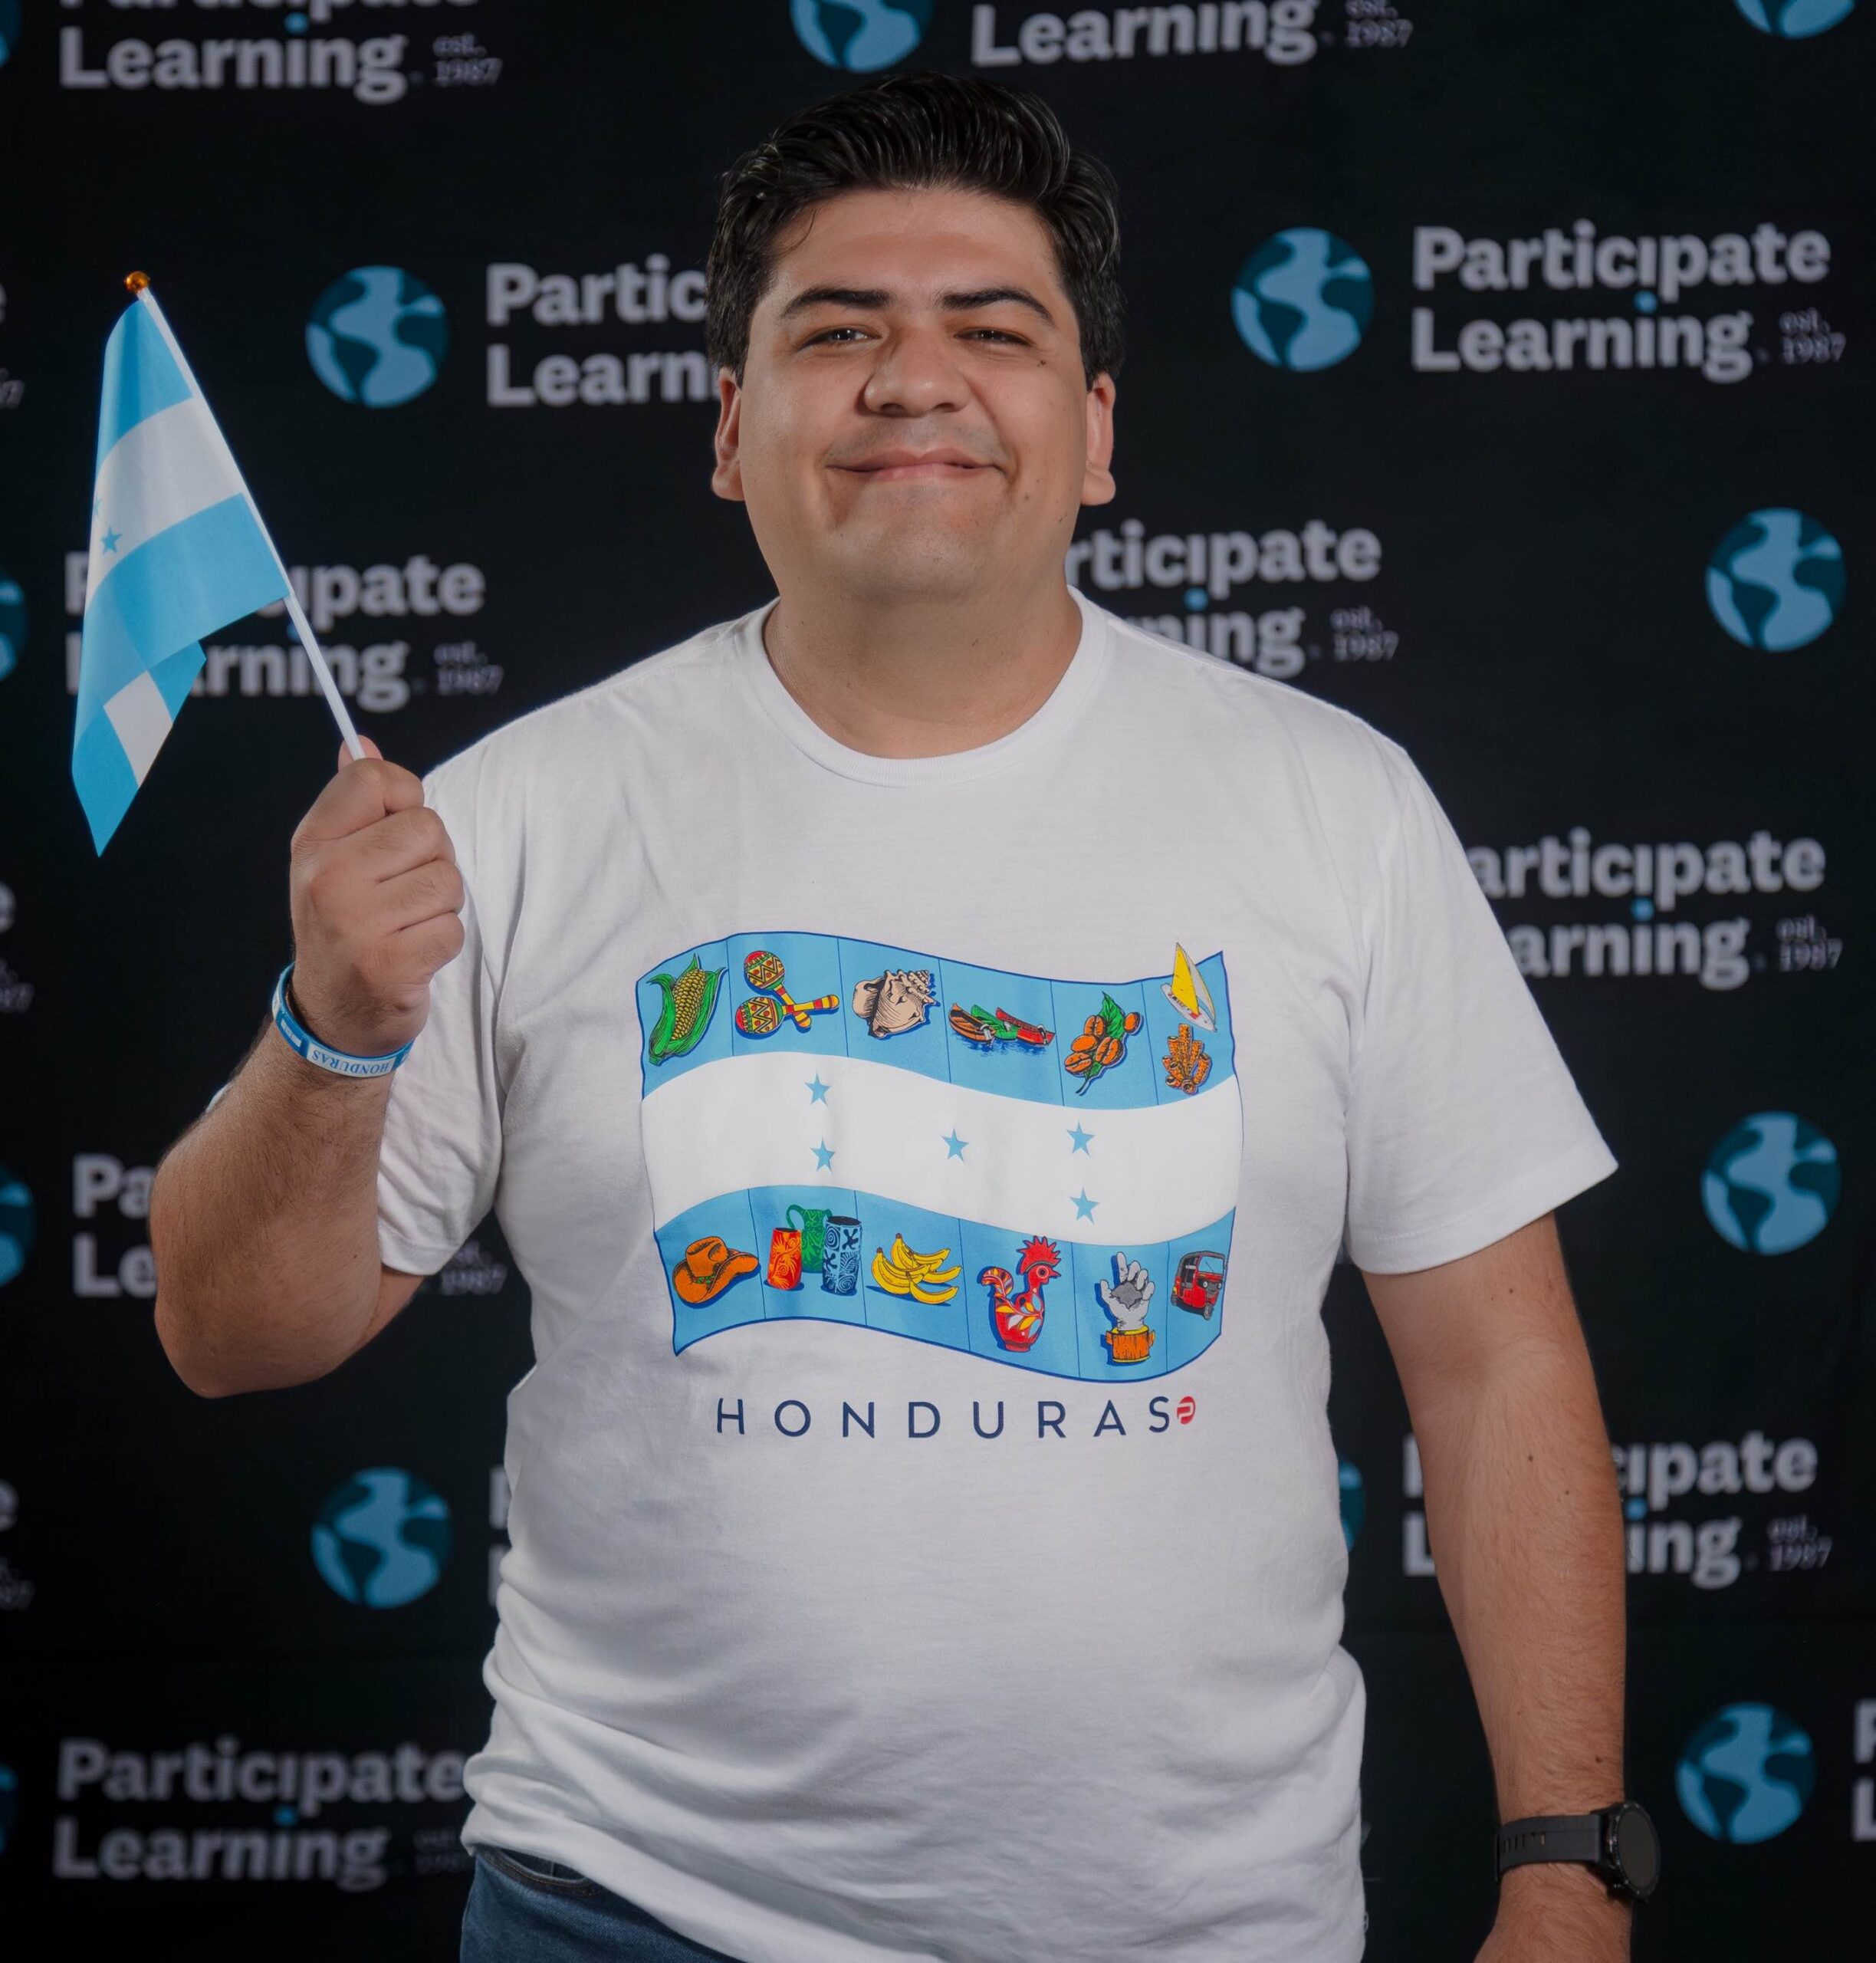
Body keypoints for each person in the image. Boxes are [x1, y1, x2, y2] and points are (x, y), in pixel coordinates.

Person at [149, 70, 1638, 1963]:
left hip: (1208, 1929)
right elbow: (228, 1333)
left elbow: (1497, 1362)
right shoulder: (514, 816)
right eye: (836, 330)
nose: (912, 378)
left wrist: (1566, 1862)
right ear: (728, 427)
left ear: (1095, 431)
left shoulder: (1329, 802)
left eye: (992, 331)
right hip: (637, 1912)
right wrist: (329, 1020)